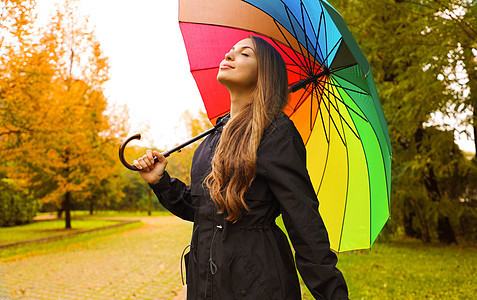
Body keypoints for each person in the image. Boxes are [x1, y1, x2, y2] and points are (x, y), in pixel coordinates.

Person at [134, 36, 349, 299]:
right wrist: (161, 181)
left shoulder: (276, 134)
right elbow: (204, 210)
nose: (228, 56)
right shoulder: (211, 139)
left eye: (245, 54)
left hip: (257, 284)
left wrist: (332, 293)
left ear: (265, 74)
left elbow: (303, 221)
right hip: (207, 284)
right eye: (230, 51)